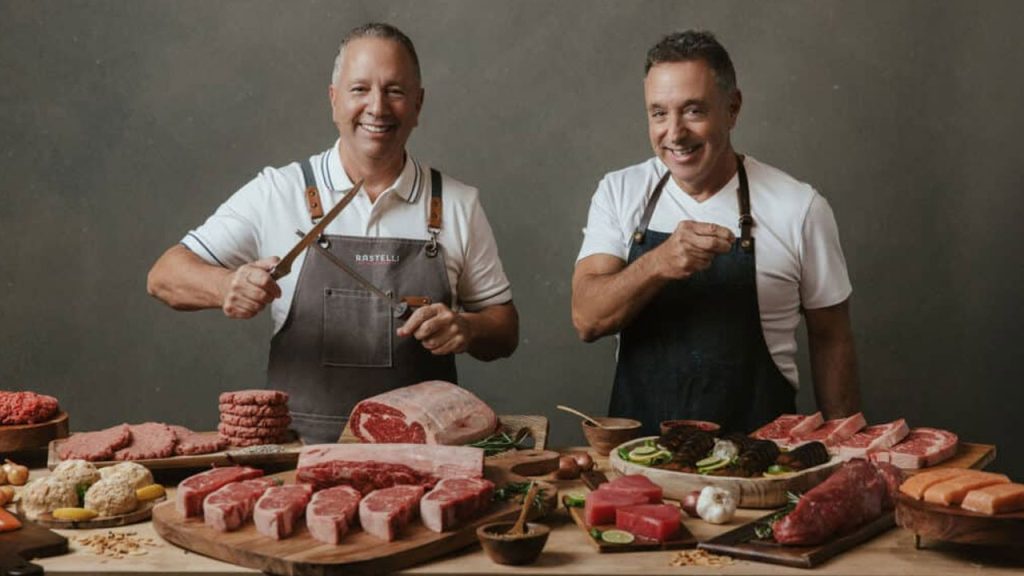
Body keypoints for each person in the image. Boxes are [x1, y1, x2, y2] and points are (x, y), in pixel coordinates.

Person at [147, 22, 518, 443]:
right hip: (298, 464)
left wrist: (468, 329)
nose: (377, 107)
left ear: (418, 104)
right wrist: (225, 285)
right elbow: (163, 276)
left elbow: (504, 331)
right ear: (334, 100)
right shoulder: (278, 191)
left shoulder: (456, 204)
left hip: (426, 462)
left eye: (395, 91)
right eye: (360, 89)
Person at [571, 30, 860, 435]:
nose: (674, 133)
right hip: (639, 462)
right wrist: (659, 262)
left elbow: (831, 338)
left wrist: (846, 458)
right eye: (658, 113)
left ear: (733, 108)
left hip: (762, 463)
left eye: (693, 111)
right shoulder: (620, 192)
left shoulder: (799, 207)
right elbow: (587, 318)